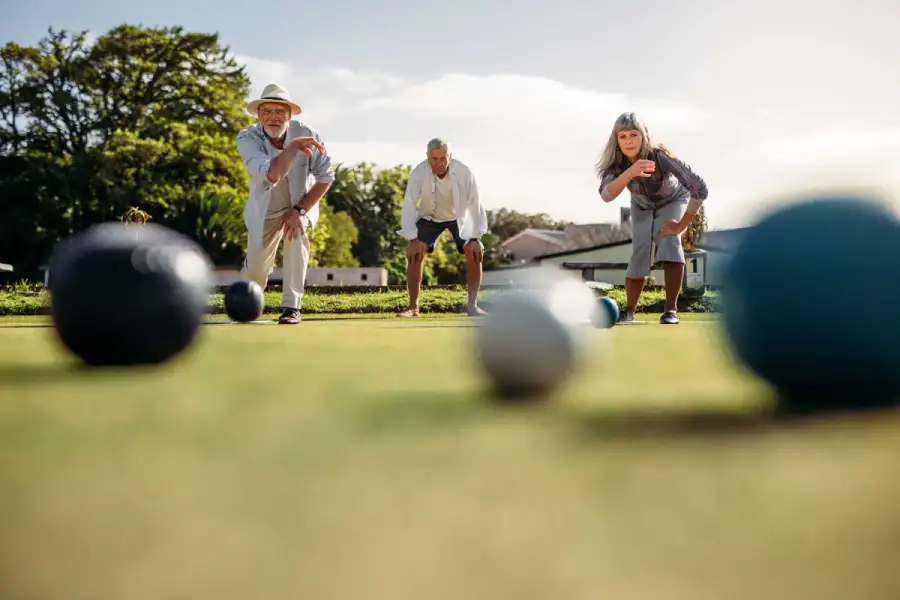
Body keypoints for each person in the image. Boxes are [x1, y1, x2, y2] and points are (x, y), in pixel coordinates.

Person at [596, 112, 708, 325]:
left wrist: (682, 225)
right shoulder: (616, 163)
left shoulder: (659, 156)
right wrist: (630, 173)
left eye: (634, 134)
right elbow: (606, 195)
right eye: (623, 136)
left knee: (669, 240)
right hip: (642, 205)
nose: (628, 141)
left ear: (644, 135)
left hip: (673, 200)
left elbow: (698, 189)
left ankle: (671, 310)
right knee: (640, 250)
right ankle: (629, 312)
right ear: (616, 139)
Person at [235, 84, 335, 324]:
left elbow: (326, 177)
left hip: (298, 206)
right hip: (265, 210)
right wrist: (292, 147)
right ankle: (251, 301)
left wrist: (300, 211)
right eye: (266, 111)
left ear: (290, 115)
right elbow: (273, 174)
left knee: (296, 237)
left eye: (280, 112)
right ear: (259, 115)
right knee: (255, 271)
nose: (273, 117)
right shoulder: (248, 138)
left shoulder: (311, 134)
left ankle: (292, 307)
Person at [396, 138, 489, 317]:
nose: (438, 163)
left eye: (443, 159)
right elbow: (409, 203)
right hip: (430, 217)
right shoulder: (418, 172)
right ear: (427, 157)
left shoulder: (464, 171)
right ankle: (413, 307)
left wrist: (476, 237)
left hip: (458, 217)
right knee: (414, 252)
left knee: (475, 251)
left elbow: (475, 203)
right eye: (434, 159)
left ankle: (472, 306)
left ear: (450, 157)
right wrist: (412, 239)